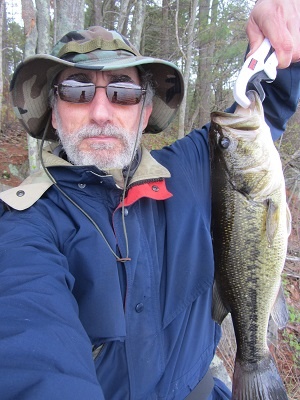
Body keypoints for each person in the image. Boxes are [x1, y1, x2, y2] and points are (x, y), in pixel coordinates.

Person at [0, 0, 299, 398]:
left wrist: (282, 31)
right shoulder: (24, 228)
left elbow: (268, 99)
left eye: (123, 91)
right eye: (77, 90)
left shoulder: (196, 168)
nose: (101, 111)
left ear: (144, 112)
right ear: (54, 113)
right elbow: (30, 351)